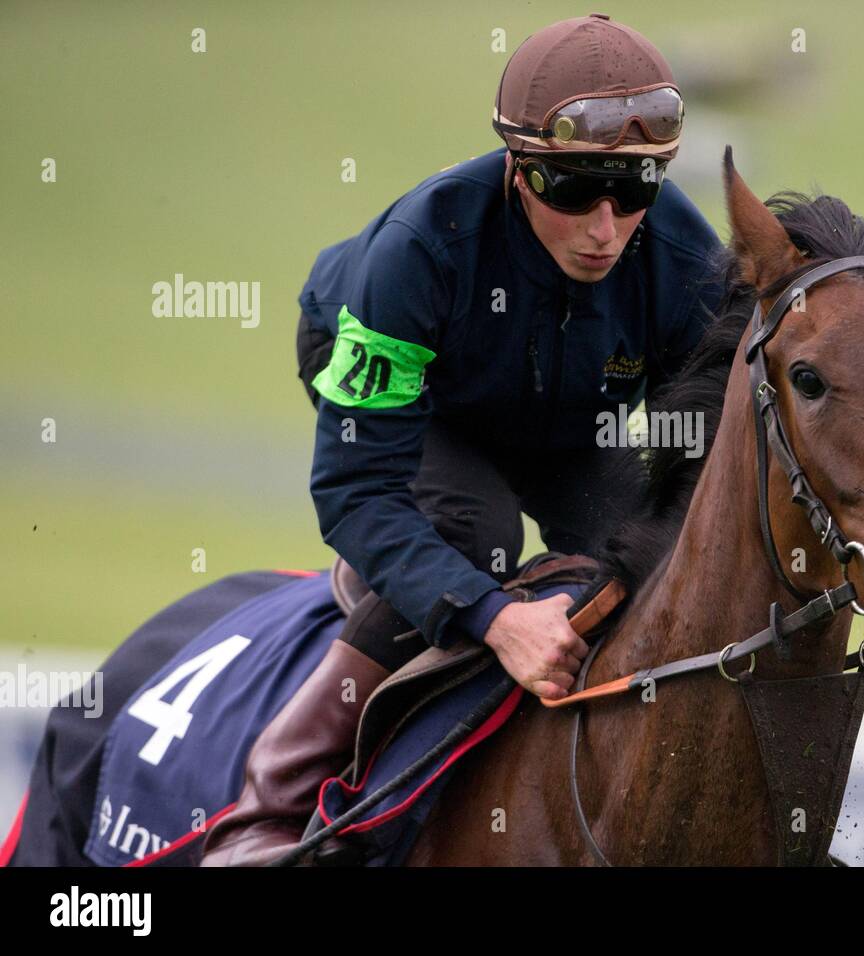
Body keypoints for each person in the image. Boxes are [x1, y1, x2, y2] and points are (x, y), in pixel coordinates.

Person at [201, 13, 725, 865]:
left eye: (631, 193)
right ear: (521, 170)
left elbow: (716, 474)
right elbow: (355, 488)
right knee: (471, 537)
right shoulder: (419, 249)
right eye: (574, 192)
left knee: (653, 551)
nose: (604, 229)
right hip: (419, 395)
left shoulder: (680, 258)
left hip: (562, 414)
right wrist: (492, 618)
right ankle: (269, 808)